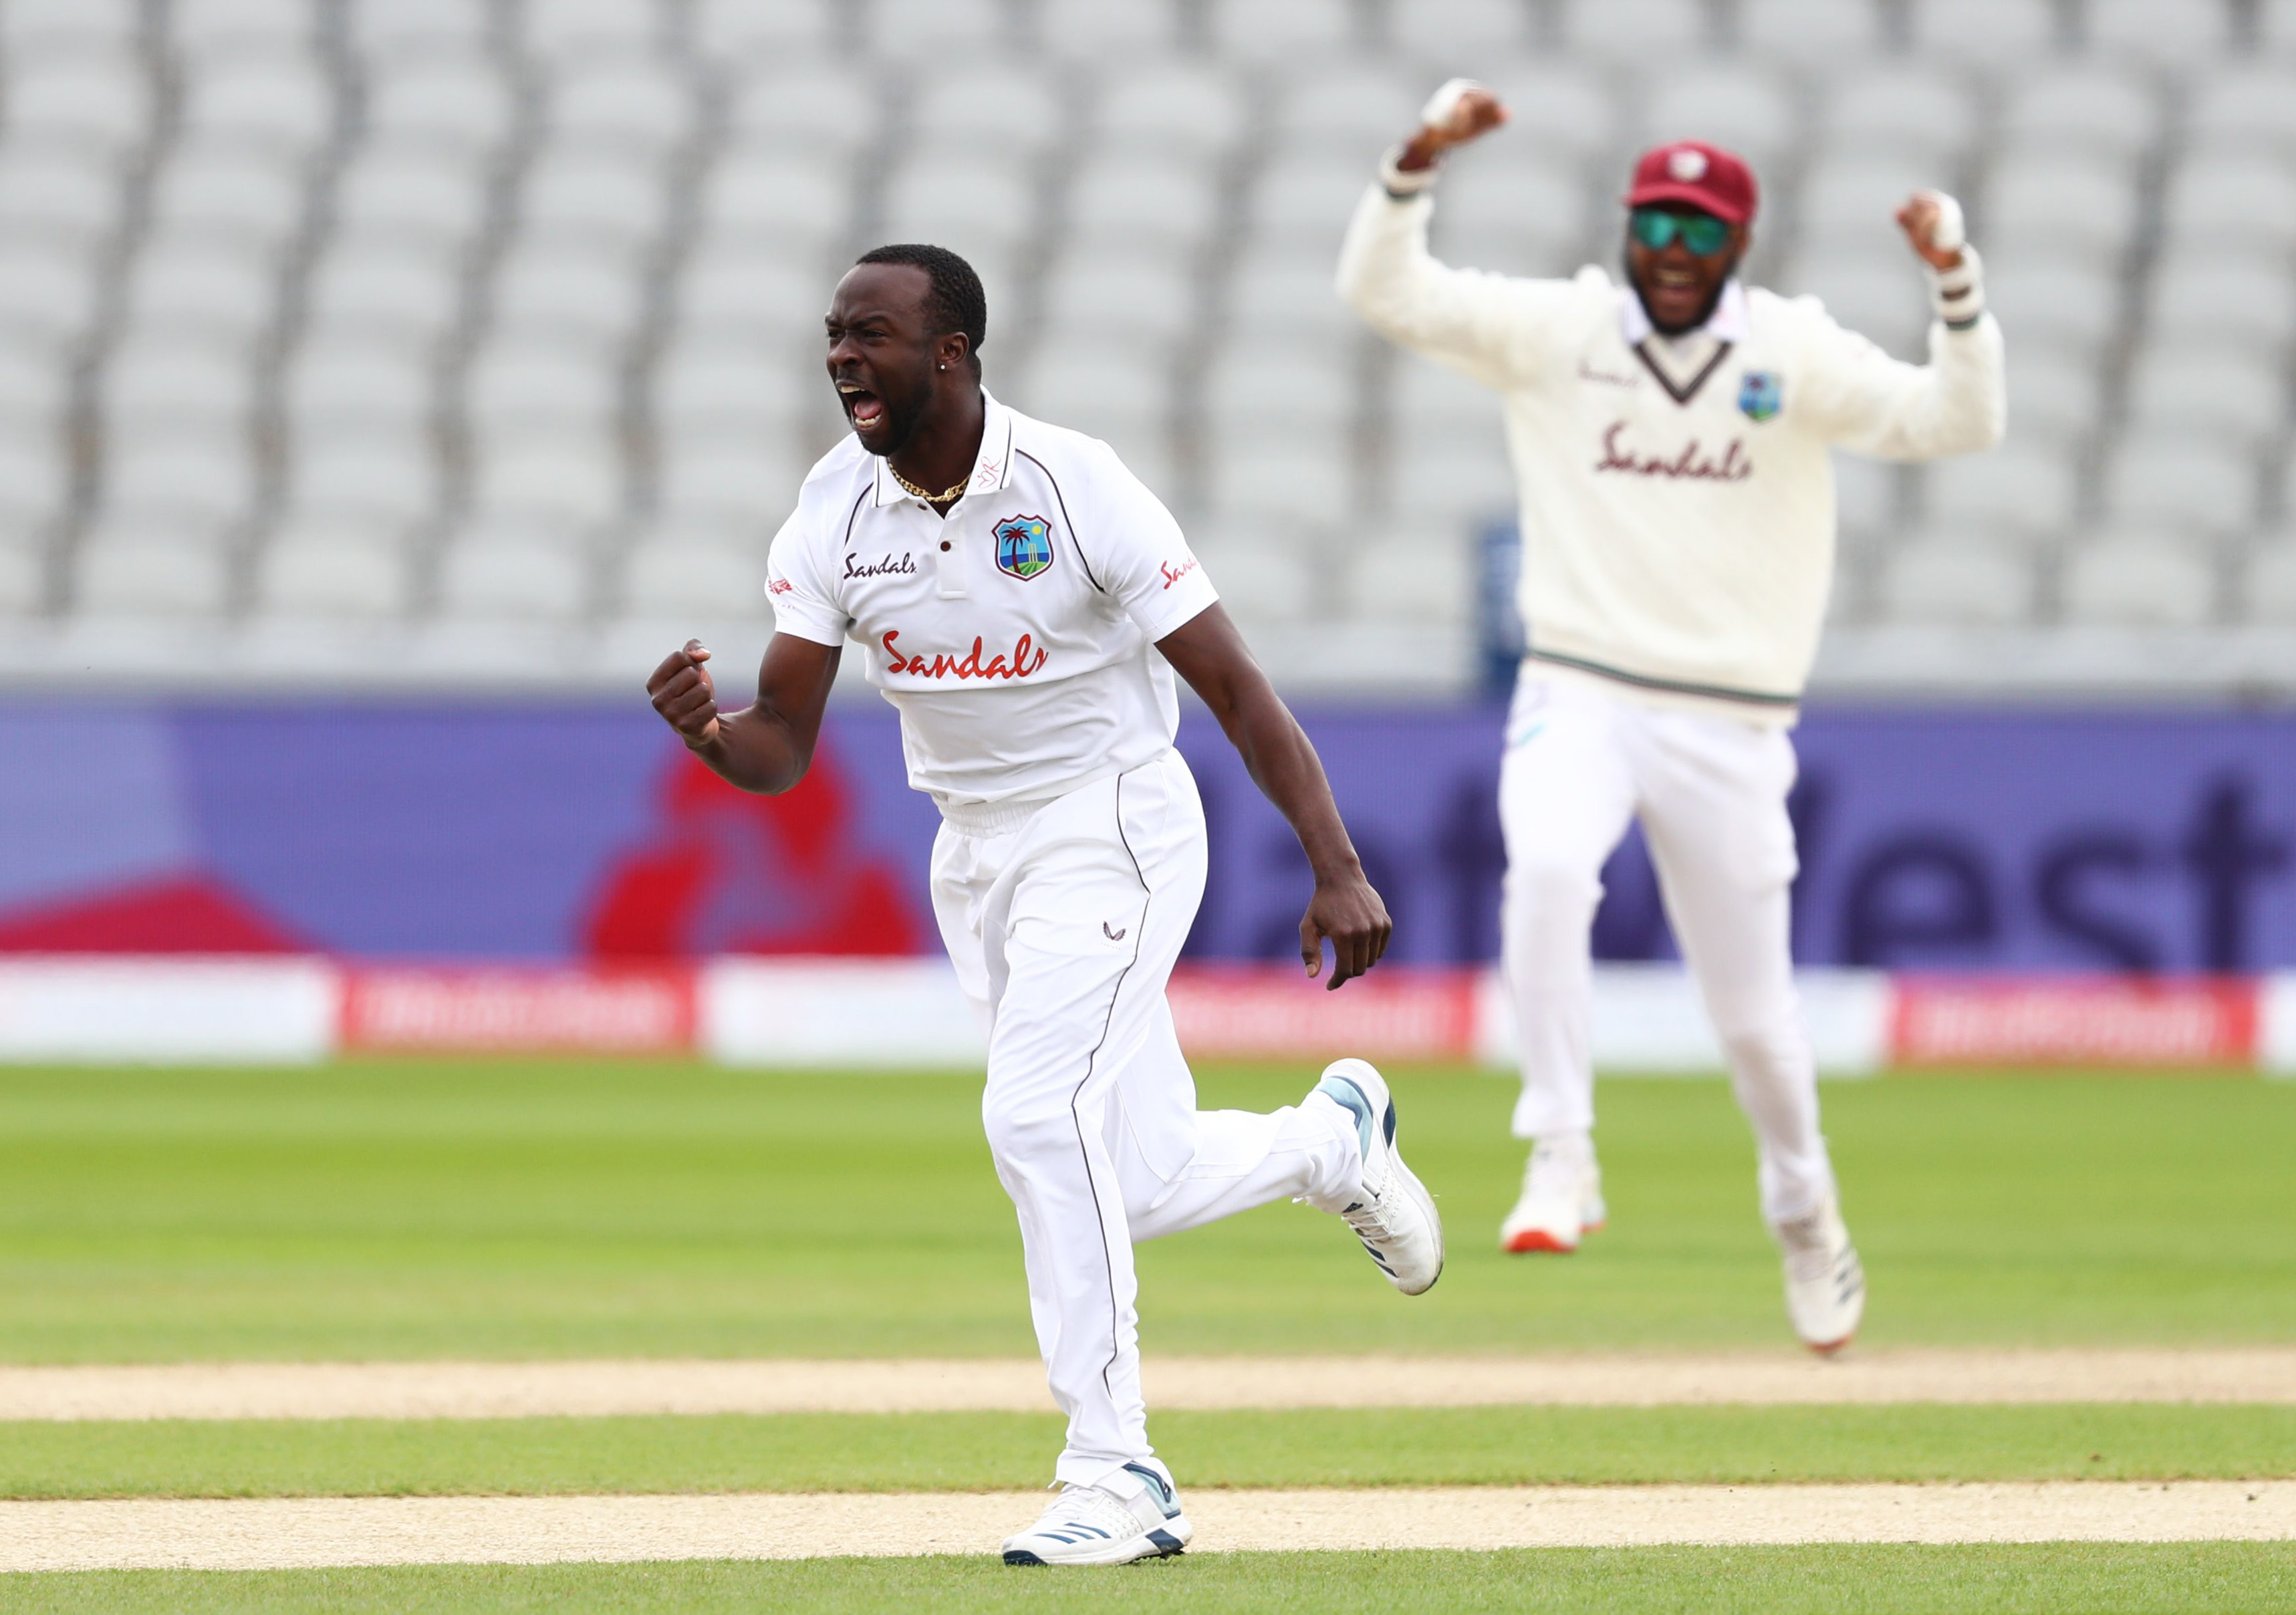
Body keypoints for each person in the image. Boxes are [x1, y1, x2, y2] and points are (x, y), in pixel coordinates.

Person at [646, 243, 1442, 1566]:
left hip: (1114, 822)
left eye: (873, 334)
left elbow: (1238, 691)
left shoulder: (1077, 487)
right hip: (977, 854)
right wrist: (708, 736)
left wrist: (1334, 859)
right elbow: (780, 746)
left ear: (951, 352)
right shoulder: (833, 512)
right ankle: (1329, 1143)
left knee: (1031, 1112)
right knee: (1120, 1177)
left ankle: (1118, 1472)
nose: (843, 353)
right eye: (834, 334)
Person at [1337, 84, 2005, 1354]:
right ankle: (1561, 1153)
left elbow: (1956, 422)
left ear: (1738, 247)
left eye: (1703, 234)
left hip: (1731, 721)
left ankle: (1806, 1212)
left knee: (1755, 1022)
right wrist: (1415, 162)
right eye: (1659, 227)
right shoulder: (1563, 330)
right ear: (1628, 230)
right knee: (1542, 868)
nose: (1676, 255)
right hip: (1579, 684)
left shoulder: (1788, 354)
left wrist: (1956, 286)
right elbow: (1391, 292)